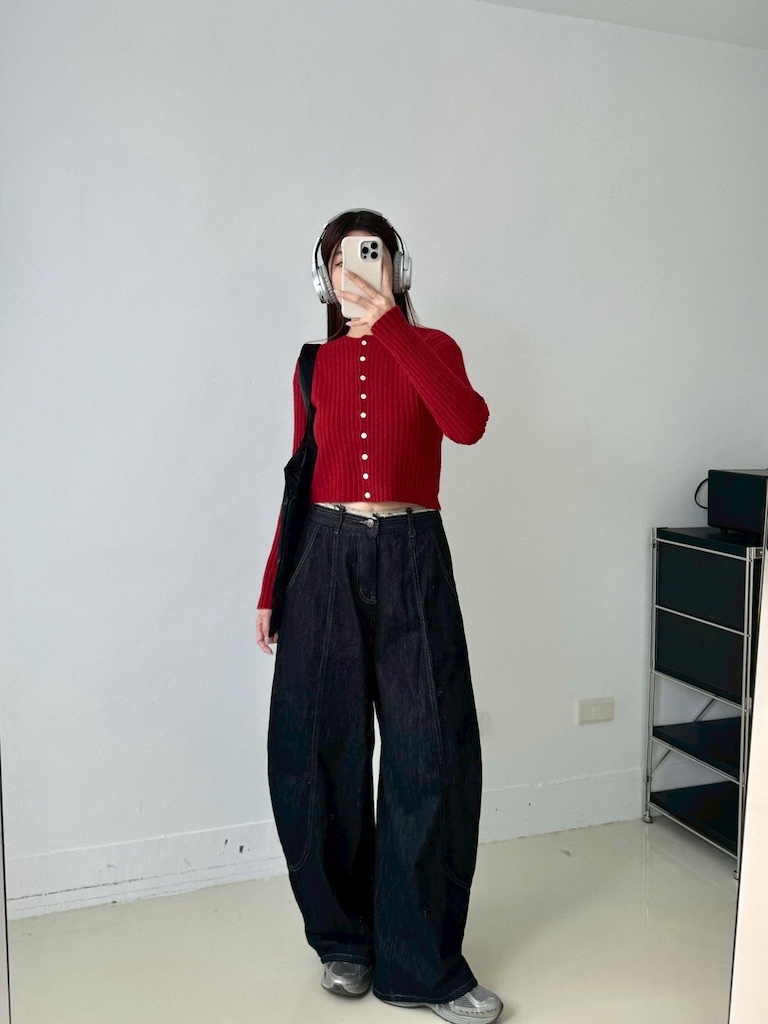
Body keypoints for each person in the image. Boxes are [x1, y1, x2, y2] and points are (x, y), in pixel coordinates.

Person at [255, 209, 502, 1023]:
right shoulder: (313, 366)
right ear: (322, 279)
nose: (354, 271)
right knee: (316, 751)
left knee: (431, 754)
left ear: (398, 267)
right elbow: (301, 476)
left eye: (371, 254)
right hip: (323, 560)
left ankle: (420, 964)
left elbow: (467, 424)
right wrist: (272, 584)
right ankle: (344, 941)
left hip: (413, 556)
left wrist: (393, 326)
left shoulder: (434, 349)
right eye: (340, 260)